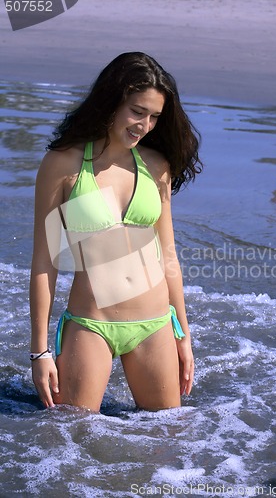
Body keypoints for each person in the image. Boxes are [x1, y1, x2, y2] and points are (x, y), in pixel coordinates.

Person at [30, 52, 203, 412]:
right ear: (111, 102)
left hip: (155, 324)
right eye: (137, 111)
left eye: (155, 116)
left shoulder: (157, 166)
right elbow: (45, 262)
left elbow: (168, 255)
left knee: (166, 442)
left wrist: (183, 337)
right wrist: (40, 352)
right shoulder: (64, 163)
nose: (145, 125)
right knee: (73, 442)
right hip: (92, 324)